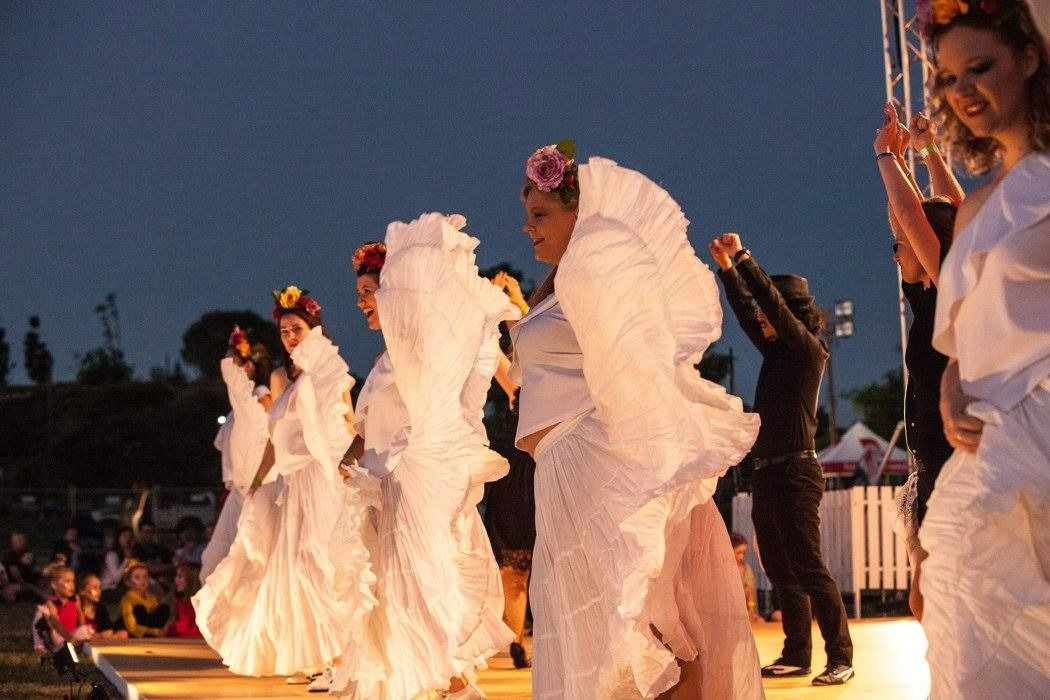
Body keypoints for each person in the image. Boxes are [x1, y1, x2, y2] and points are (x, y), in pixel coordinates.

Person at [511, 143, 763, 698]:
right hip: (560, 471)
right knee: (607, 628)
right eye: (528, 215)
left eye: (541, 215)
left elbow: (635, 360)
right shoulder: (557, 286)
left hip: (592, 462)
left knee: (642, 620)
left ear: (580, 212)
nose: (527, 228)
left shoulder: (595, 263)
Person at [916, 2, 1050, 696]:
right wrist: (949, 387)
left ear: (1029, 58)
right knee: (968, 631)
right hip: (984, 442)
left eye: (980, 67)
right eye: (946, 78)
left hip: (1044, 435)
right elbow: (962, 342)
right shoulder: (974, 206)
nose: (962, 90)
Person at [331, 222, 517, 699]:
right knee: (393, 600)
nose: (362, 302)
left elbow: (440, 412)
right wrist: (345, 460)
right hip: (384, 492)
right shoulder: (384, 360)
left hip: (414, 492)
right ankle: (427, 688)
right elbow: (369, 431)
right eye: (360, 294)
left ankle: (454, 688)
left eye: (370, 291)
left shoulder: (419, 354)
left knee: (420, 591)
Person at [193, 286, 374, 685]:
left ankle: (339, 659)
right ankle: (316, 654)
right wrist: (259, 479)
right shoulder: (278, 376)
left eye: (297, 328)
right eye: (285, 330)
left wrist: (346, 466)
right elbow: (276, 438)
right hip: (291, 482)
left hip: (322, 478)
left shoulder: (330, 370)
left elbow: (345, 426)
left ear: (314, 328)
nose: (291, 337)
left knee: (324, 564)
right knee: (295, 569)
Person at [710, 232, 854, 685]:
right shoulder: (775, 352)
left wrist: (745, 258)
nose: (759, 317)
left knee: (808, 565)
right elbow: (748, 311)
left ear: (790, 315)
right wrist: (728, 272)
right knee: (777, 567)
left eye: (769, 312)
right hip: (768, 473)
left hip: (797, 470)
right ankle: (797, 653)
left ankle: (841, 656)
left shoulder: (809, 352)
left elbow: (769, 307)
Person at [874, 102, 959, 620]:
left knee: (929, 586)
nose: (897, 252)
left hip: (949, 458)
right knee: (927, 578)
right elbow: (948, 207)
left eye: (901, 246)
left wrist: (886, 154)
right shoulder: (942, 291)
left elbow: (912, 215)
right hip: (937, 454)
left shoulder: (948, 289)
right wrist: (925, 154)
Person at [200, 327, 274, 581]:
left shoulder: (260, 397)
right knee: (216, 561)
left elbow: (270, 437)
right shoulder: (240, 405)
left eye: (238, 360)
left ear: (250, 366)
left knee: (247, 561)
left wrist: (257, 479)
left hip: (256, 486)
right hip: (239, 489)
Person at [120, 560, 169, 638]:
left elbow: (156, 618)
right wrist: (154, 631)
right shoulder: (127, 600)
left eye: (145, 576)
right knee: (139, 609)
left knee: (164, 608)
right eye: (137, 577)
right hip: (135, 634)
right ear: (128, 582)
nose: (142, 580)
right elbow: (131, 627)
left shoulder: (152, 598)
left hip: (151, 630)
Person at [75, 572, 127, 641]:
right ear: (82, 591)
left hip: (98, 640)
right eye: (95, 587)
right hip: (82, 642)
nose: (99, 591)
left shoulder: (100, 608)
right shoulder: (75, 608)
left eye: (100, 588)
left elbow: (108, 631)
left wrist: (100, 635)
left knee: (123, 633)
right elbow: (80, 633)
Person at [3, 531, 46, 602]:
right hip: (16, 583)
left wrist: (37, 570)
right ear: (13, 542)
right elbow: (15, 575)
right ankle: (41, 596)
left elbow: (36, 569)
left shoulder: (28, 554)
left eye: (22, 539)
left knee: (44, 581)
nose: (21, 542)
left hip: (30, 581)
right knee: (13, 592)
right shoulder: (10, 556)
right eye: (18, 540)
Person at [730, 532, 761, 623]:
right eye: (738, 552)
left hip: (749, 613)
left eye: (743, 553)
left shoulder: (747, 569)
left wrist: (751, 611)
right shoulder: (725, 571)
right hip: (733, 614)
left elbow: (751, 594)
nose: (741, 556)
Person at [168, 563, 202, 638]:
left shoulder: (194, 605)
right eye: (176, 576)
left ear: (190, 581)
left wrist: (166, 629)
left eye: (180, 577)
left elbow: (182, 628)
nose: (176, 579)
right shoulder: (179, 600)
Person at [100, 526, 135, 594]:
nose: (127, 539)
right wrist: (126, 559)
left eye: (130, 537)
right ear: (118, 538)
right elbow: (117, 578)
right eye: (124, 536)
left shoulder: (131, 554)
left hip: (122, 587)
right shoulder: (111, 555)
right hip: (108, 588)